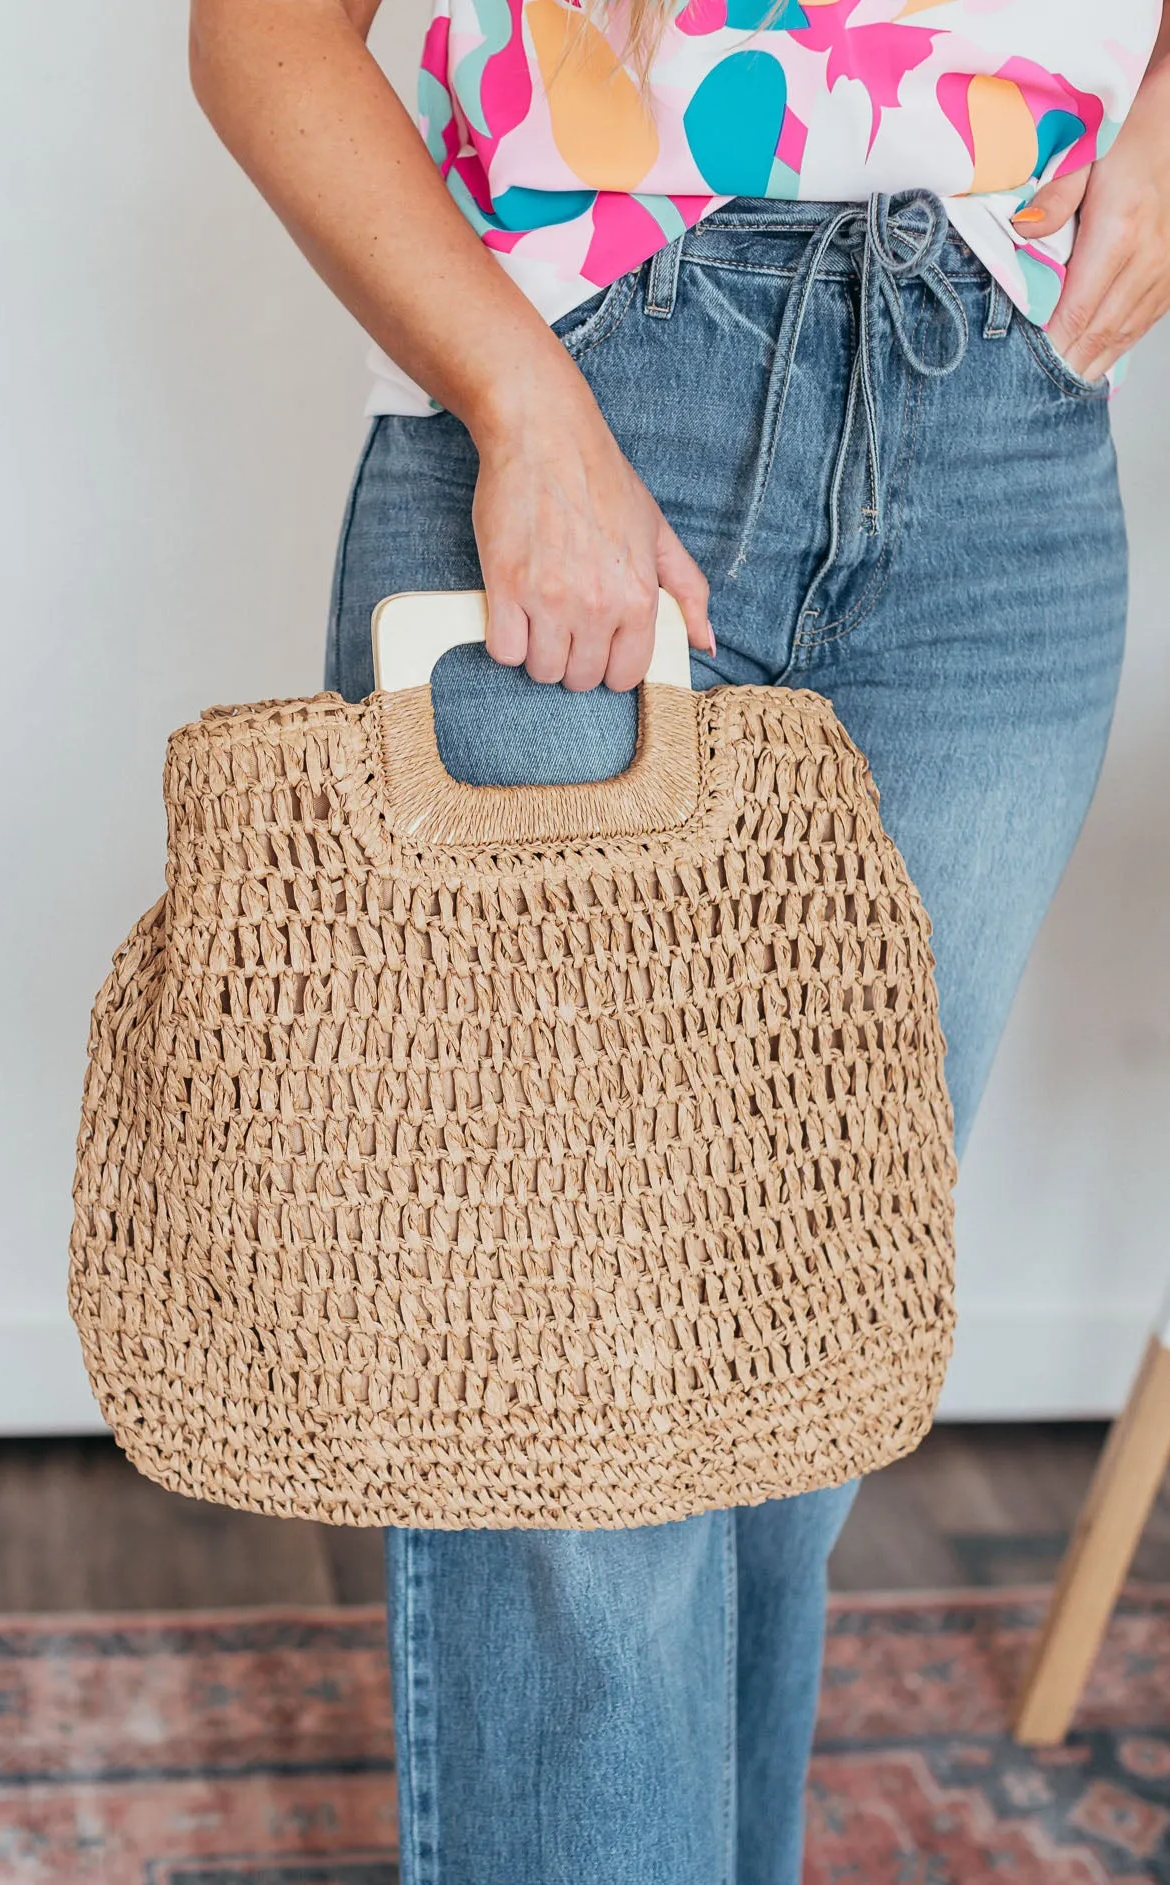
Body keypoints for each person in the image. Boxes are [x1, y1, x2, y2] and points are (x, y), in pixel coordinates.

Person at [187, 2, 1170, 1878]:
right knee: (579, 1429)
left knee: (794, 1399)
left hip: (1004, 454)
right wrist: (523, 408)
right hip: (587, 396)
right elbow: (260, 36)